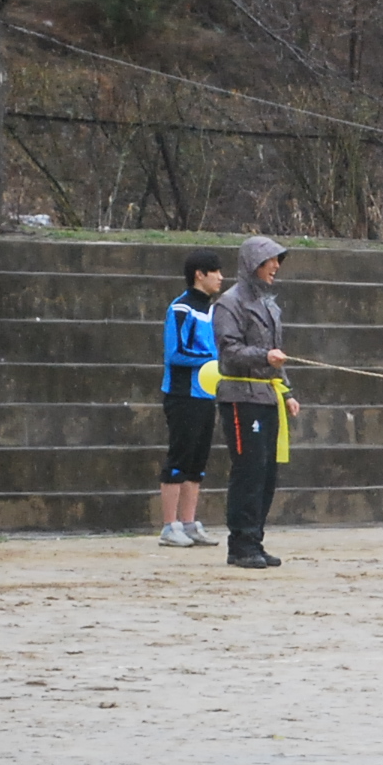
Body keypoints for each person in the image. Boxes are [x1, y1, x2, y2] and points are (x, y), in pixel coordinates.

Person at [210, 234, 300, 571]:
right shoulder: (229, 303)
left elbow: (278, 358)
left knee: (266, 471)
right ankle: (241, 543)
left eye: (277, 260)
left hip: (267, 397)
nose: (275, 266)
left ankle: (255, 539)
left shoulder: (269, 305)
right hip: (240, 398)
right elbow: (229, 350)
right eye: (269, 261)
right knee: (248, 469)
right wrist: (264, 356)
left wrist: (286, 392)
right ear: (253, 264)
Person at [157, 248, 227, 548]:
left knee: (198, 460)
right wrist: (213, 359)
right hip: (182, 394)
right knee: (180, 457)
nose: (221, 277)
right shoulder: (180, 308)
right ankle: (168, 526)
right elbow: (175, 353)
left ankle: (189, 522)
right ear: (200, 274)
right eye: (216, 271)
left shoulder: (213, 311)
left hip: (206, 394)